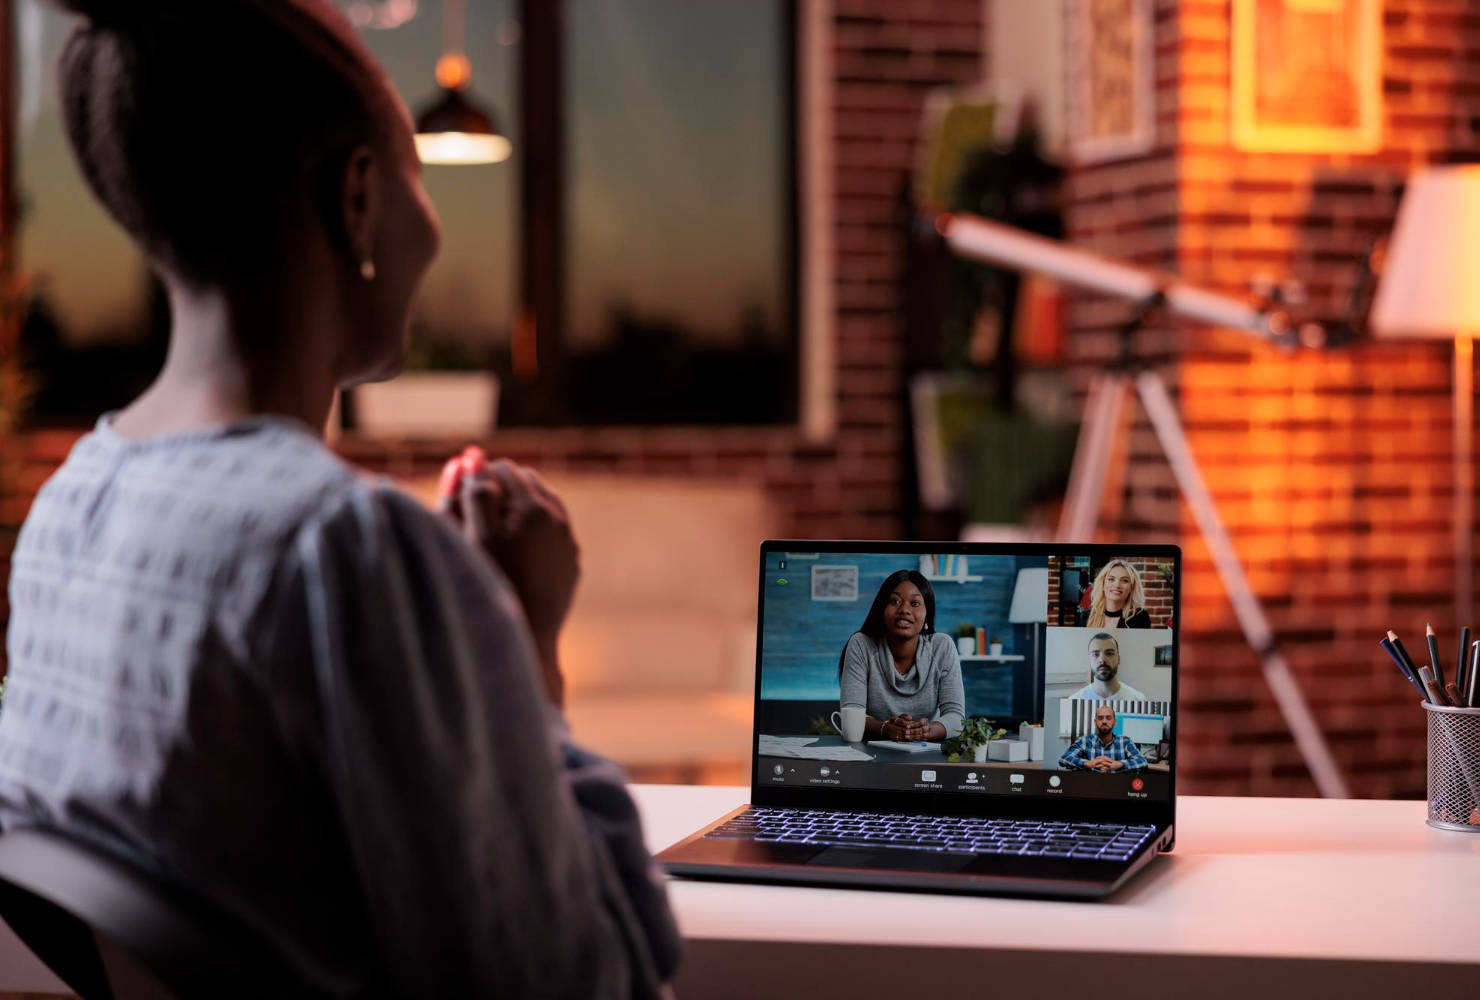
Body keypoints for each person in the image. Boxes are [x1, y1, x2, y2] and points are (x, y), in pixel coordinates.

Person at [0, 2, 678, 996]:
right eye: (412, 175)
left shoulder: (68, 508)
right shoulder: (345, 546)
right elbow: (590, 979)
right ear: (357, 197)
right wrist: (521, 632)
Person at [838, 570, 965, 743]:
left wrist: (925, 732)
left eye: (915, 603)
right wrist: (885, 729)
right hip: (870, 755)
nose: (904, 609)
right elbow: (852, 713)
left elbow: (956, 717)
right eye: (894, 601)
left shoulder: (942, 646)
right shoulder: (861, 644)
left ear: (927, 613)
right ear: (882, 609)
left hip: (926, 755)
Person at [1059, 705, 1148, 773]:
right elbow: (1064, 758)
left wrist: (1120, 764)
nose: (1104, 721)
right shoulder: (1085, 740)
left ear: (1115, 722)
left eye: (1108, 718)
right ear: (1095, 722)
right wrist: (1087, 763)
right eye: (1100, 718)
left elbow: (1142, 762)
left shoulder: (1125, 741)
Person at [1067, 633, 1148, 702]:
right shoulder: (1075, 700)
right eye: (1096, 654)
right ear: (1089, 660)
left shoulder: (1139, 700)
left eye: (1109, 653)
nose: (1102, 660)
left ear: (1119, 659)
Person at [1085, 559, 1151, 629]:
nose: (1117, 585)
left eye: (1124, 581)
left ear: (1132, 587)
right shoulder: (1087, 616)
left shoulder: (1139, 616)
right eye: (1111, 579)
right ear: (1103, 584)